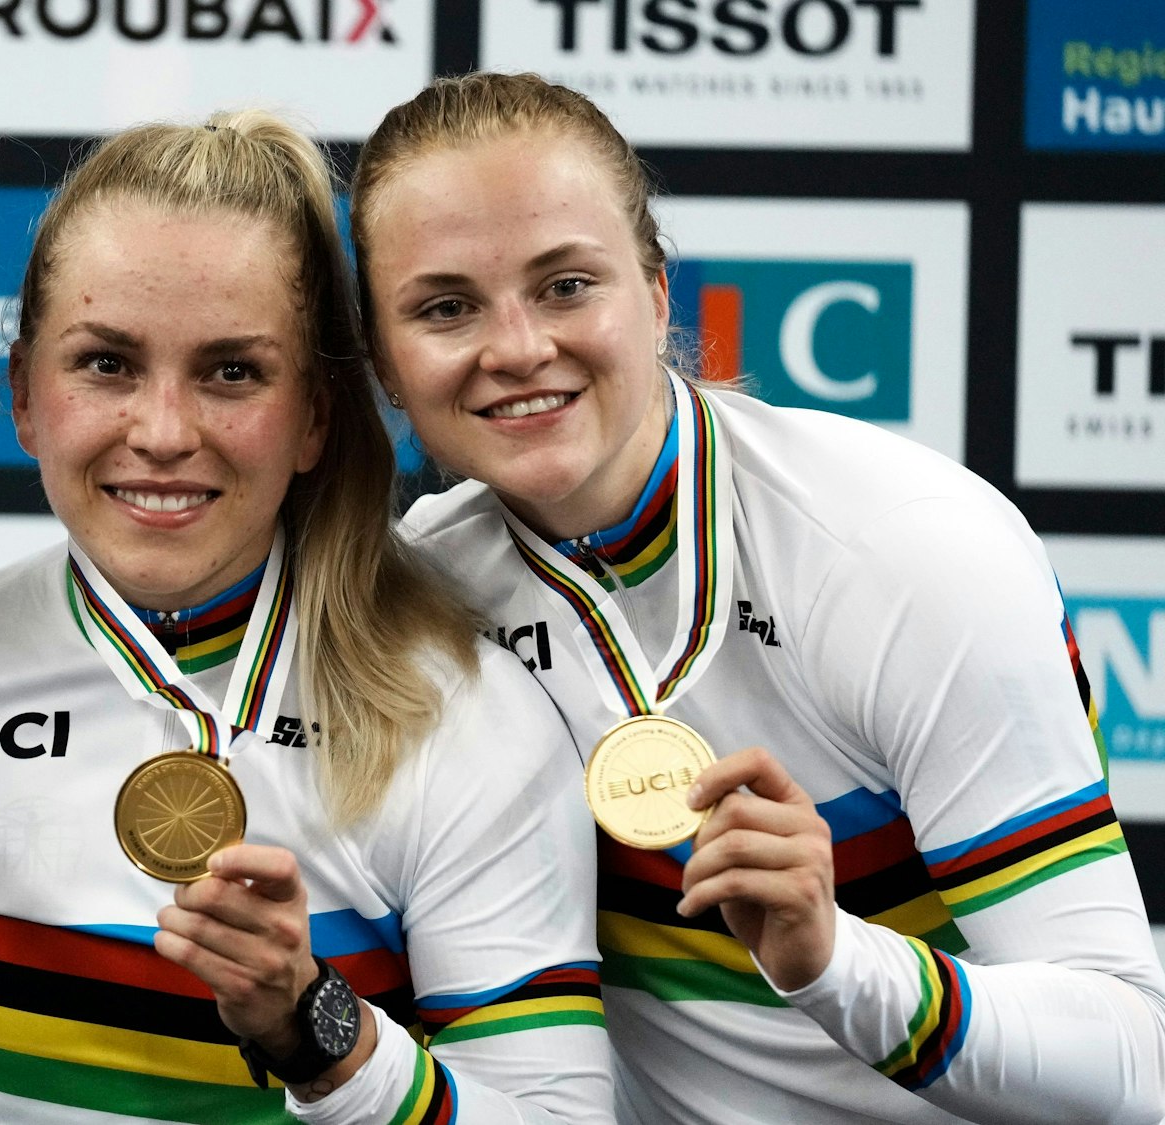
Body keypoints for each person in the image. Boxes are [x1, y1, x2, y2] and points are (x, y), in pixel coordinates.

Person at [0, 110, 613, 1124]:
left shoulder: (468, 718)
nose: (162, 433)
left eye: (230, 374)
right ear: (25, 394)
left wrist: (321, 1034)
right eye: (107, 364)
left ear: (312, 418)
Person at [356, 71, 1165, 1124]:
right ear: (381, 361)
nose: (515, 349)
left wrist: (833, 959)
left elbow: (1129, 1058)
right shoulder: (418, 595)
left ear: (652, 296)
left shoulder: (900, 551)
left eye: (565, 286)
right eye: (446, 307)